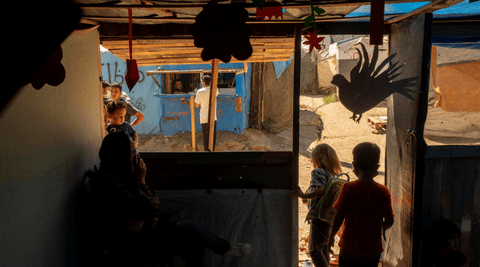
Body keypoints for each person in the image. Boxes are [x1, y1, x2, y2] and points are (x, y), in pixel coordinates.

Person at [89, 131, 253, 267]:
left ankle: (224, 247)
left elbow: (152, 204)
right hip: (133, 243)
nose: (136, 155)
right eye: (133, 151)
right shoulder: (109, 183)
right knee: (190, 230)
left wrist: (141, 217)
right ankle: (224, 248)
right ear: (120, 154)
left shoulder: (121, 176)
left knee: (194, 244)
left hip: (149, 230)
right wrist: (141, 181)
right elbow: (147, 208)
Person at [328, 142, 394, 267]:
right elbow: (389, 220)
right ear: (377, 167)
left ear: (354, 166)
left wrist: (331, 236)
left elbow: (339, 216)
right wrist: (380, 231)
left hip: (349, 248)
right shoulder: (382, 191)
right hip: (372, 250)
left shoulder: (348, 188)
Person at [292, 144, 343, 267]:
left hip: (319, 217)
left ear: (316, 158)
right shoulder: (331, 174)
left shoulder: (318, 171)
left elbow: (320, 191)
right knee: (323, 248)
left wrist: (302, 195)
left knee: (314, 251)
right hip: (329, 218)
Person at [194, 75, 218, 152]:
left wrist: (202, 102)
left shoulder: (199, 92)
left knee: (205, 136)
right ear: (211, 82)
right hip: (212, 117)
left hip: (204, 117)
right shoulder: (215, 89)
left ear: (203, 82)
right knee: (213, 136)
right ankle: (212, 151)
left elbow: (197, 105)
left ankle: (206, 151)